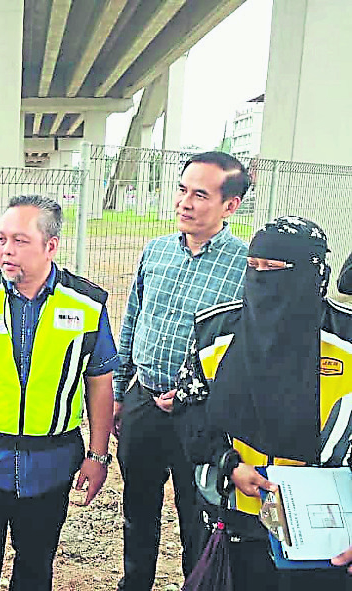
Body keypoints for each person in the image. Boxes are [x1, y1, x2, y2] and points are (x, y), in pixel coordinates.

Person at [0, 194, 119, 591]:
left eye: (19, 241)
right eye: (2, 239)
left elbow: (100, 383)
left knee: (36, 569)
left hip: (50, 469)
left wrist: (98, 455)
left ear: (50, 246)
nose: (6, 251)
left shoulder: (87, 305)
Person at [173, 216, 352, 590]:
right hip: (231, 513)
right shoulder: (215, 331)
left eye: (273, 269)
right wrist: (229, 464)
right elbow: (191, 410)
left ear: (311, 273)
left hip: (327, 530)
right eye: (253, 267)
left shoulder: (346, 337)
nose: (260, 278)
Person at [113, 151, 251, 591]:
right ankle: (135, 582)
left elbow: (242, 348)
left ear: (230, 205)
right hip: (143, 401)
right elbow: (133, 319)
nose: (185, 203)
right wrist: (120, 392)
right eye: (182, 189)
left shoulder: (243, 266)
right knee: (138, 506)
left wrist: (199, 397)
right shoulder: (155, 252)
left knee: (198, 514)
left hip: (201, 416)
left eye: (200, 195)